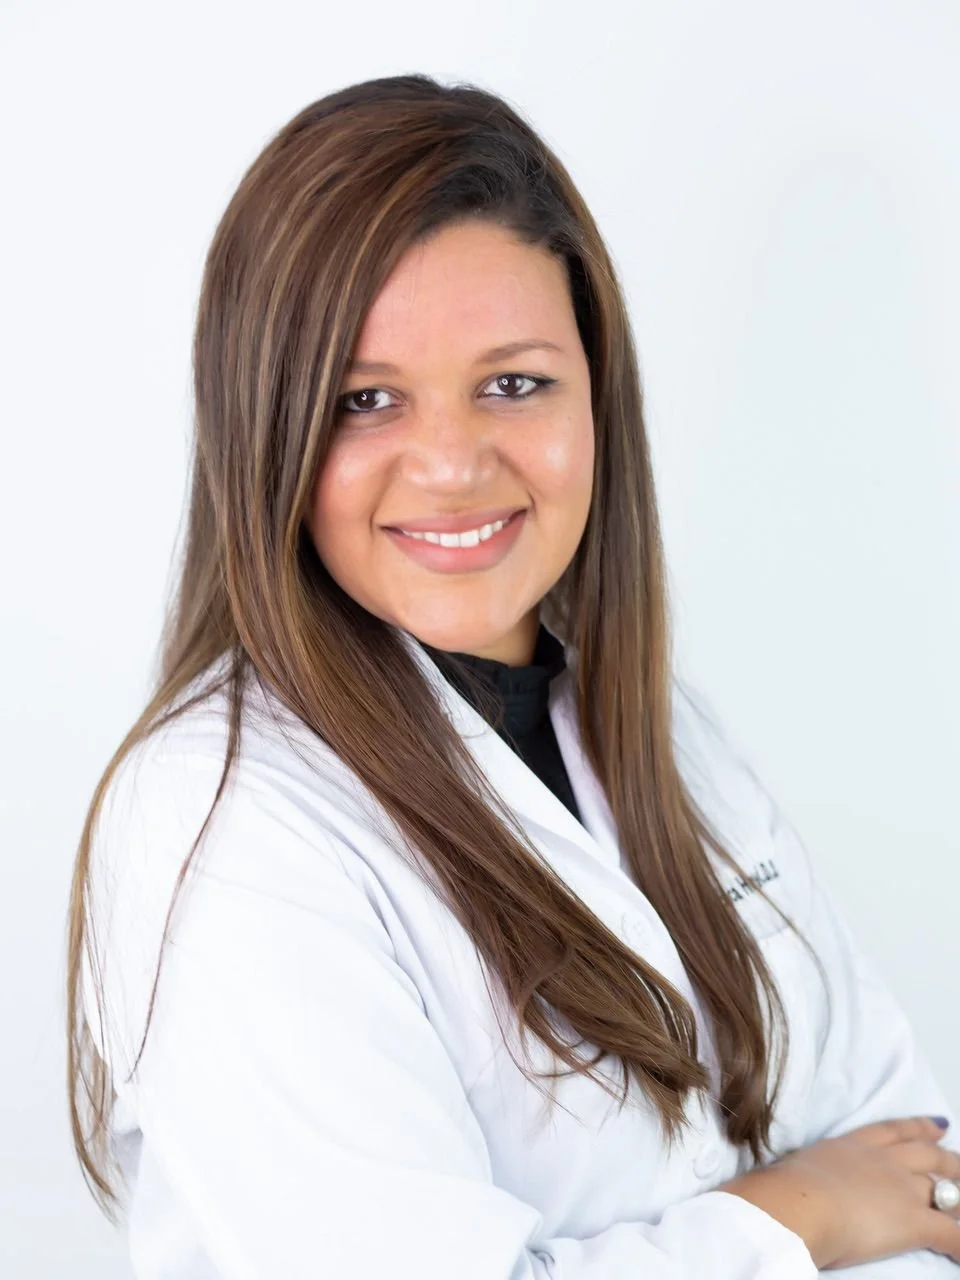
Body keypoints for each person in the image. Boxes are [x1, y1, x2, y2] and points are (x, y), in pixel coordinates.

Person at [66, 74, 960, 1279]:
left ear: (597, 399)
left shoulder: (660, 730)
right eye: (366, 399)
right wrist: (797, 1219)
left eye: (514, 382)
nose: (451, 462)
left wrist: (853, 1211)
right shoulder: (226, 822)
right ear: (265, 431)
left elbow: (914, 1164)